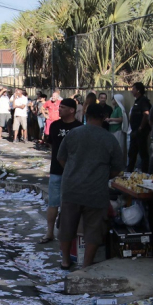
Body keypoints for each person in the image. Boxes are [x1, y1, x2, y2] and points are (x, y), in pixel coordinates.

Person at [57, 104, 125, 269]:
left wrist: (73, 172)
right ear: (103, 118)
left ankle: (65, 261)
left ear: (86, 116)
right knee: (93, 230)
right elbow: (117, 168)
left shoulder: (73, 133)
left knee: (67, 226)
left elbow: (61, 158)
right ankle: (86, 266)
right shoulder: (110, 139)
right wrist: (102, 176)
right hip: (95, 191)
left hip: (71, 189)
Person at [39, 98, 83, 245]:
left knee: (70, 205)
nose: (59, 109)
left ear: (72, 110)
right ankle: (49, 232)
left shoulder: (79, 127)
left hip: (73, 172)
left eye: (63, 107)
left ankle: (67, 235)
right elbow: (52, 145)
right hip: (56, 171)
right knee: (53, 203)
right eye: (60, 107)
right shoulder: (55, 125)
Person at [127, 82, 152, 173]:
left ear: (138, 90)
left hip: (140, 132)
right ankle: (129, 171)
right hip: (134, 131)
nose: (131, 91)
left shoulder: (143, 101)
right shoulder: (137, 101)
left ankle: (145, 172)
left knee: (142, 153)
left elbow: (146, 114)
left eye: (133, 89)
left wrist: (141, 128)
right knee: (132, 153)